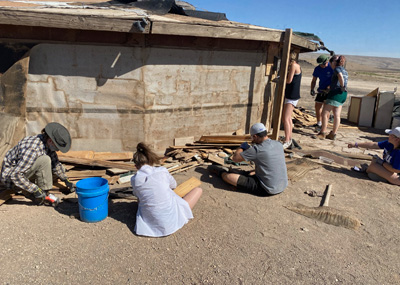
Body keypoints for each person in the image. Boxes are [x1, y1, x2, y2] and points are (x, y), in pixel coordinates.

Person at [130, 142, 202, 237]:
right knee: (198, 190)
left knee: (141, 198)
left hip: (149, 225)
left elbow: (137, 195)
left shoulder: (134, 179)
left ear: (136, 166)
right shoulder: (162, 171)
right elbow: (174, 186)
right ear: (151, 160)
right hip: (171, 222)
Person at [0, 122, 75, 205]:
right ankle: (39, 193)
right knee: (45, 160)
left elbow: (55, 163)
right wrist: (35, 189)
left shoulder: (46, 143)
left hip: (23, 172)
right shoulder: (33, 149)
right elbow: (15, 175)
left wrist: (66, 180)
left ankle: (43, 192)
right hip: (11, 179)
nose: (57, 150)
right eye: (57, 147)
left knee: (48, 161)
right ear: (50, 140)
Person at [208, 123, 288, 196]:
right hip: (282, 185)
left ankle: (221, 172)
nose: (252, 139)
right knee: (251, 172)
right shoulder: (278, 144)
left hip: (267, 188)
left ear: (255, 136)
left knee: (229, 177)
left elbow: (235, 158)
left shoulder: (257, 149)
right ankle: (244, 174)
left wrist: (241, 147)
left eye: (252, 137)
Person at [316, 55, 348, 140]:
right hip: (343, 94)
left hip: (335, 94)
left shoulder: (337, 69)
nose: (331, 64)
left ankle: (322, 132)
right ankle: (333, 134)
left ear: (334, 62)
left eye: (331, 63)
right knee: (337, 115)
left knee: (324, 113)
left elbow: (340, 76)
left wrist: (341, 86)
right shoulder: (345, 70)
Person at [282, 50, 302, 149]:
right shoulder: (297, 65)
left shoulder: (293, 66)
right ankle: (289, 139)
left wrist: (280, 79)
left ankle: (287, 140)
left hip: (292, 95)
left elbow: (289, 80)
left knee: (285, 118)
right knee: (288, 118)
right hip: (292, 94)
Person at [310, 54, 334, 130]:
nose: (322, 66)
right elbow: (314, 80)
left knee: (326, 109)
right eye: (320, 64)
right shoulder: (317, 69)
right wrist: (312, 89)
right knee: (317, 106)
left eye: (323, 64)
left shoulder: (332, 68)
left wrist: (329, 87)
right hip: (321, 90)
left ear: (327, 62)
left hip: (329, 91)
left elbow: (336, 80)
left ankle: (324, 125)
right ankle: (319, 123)